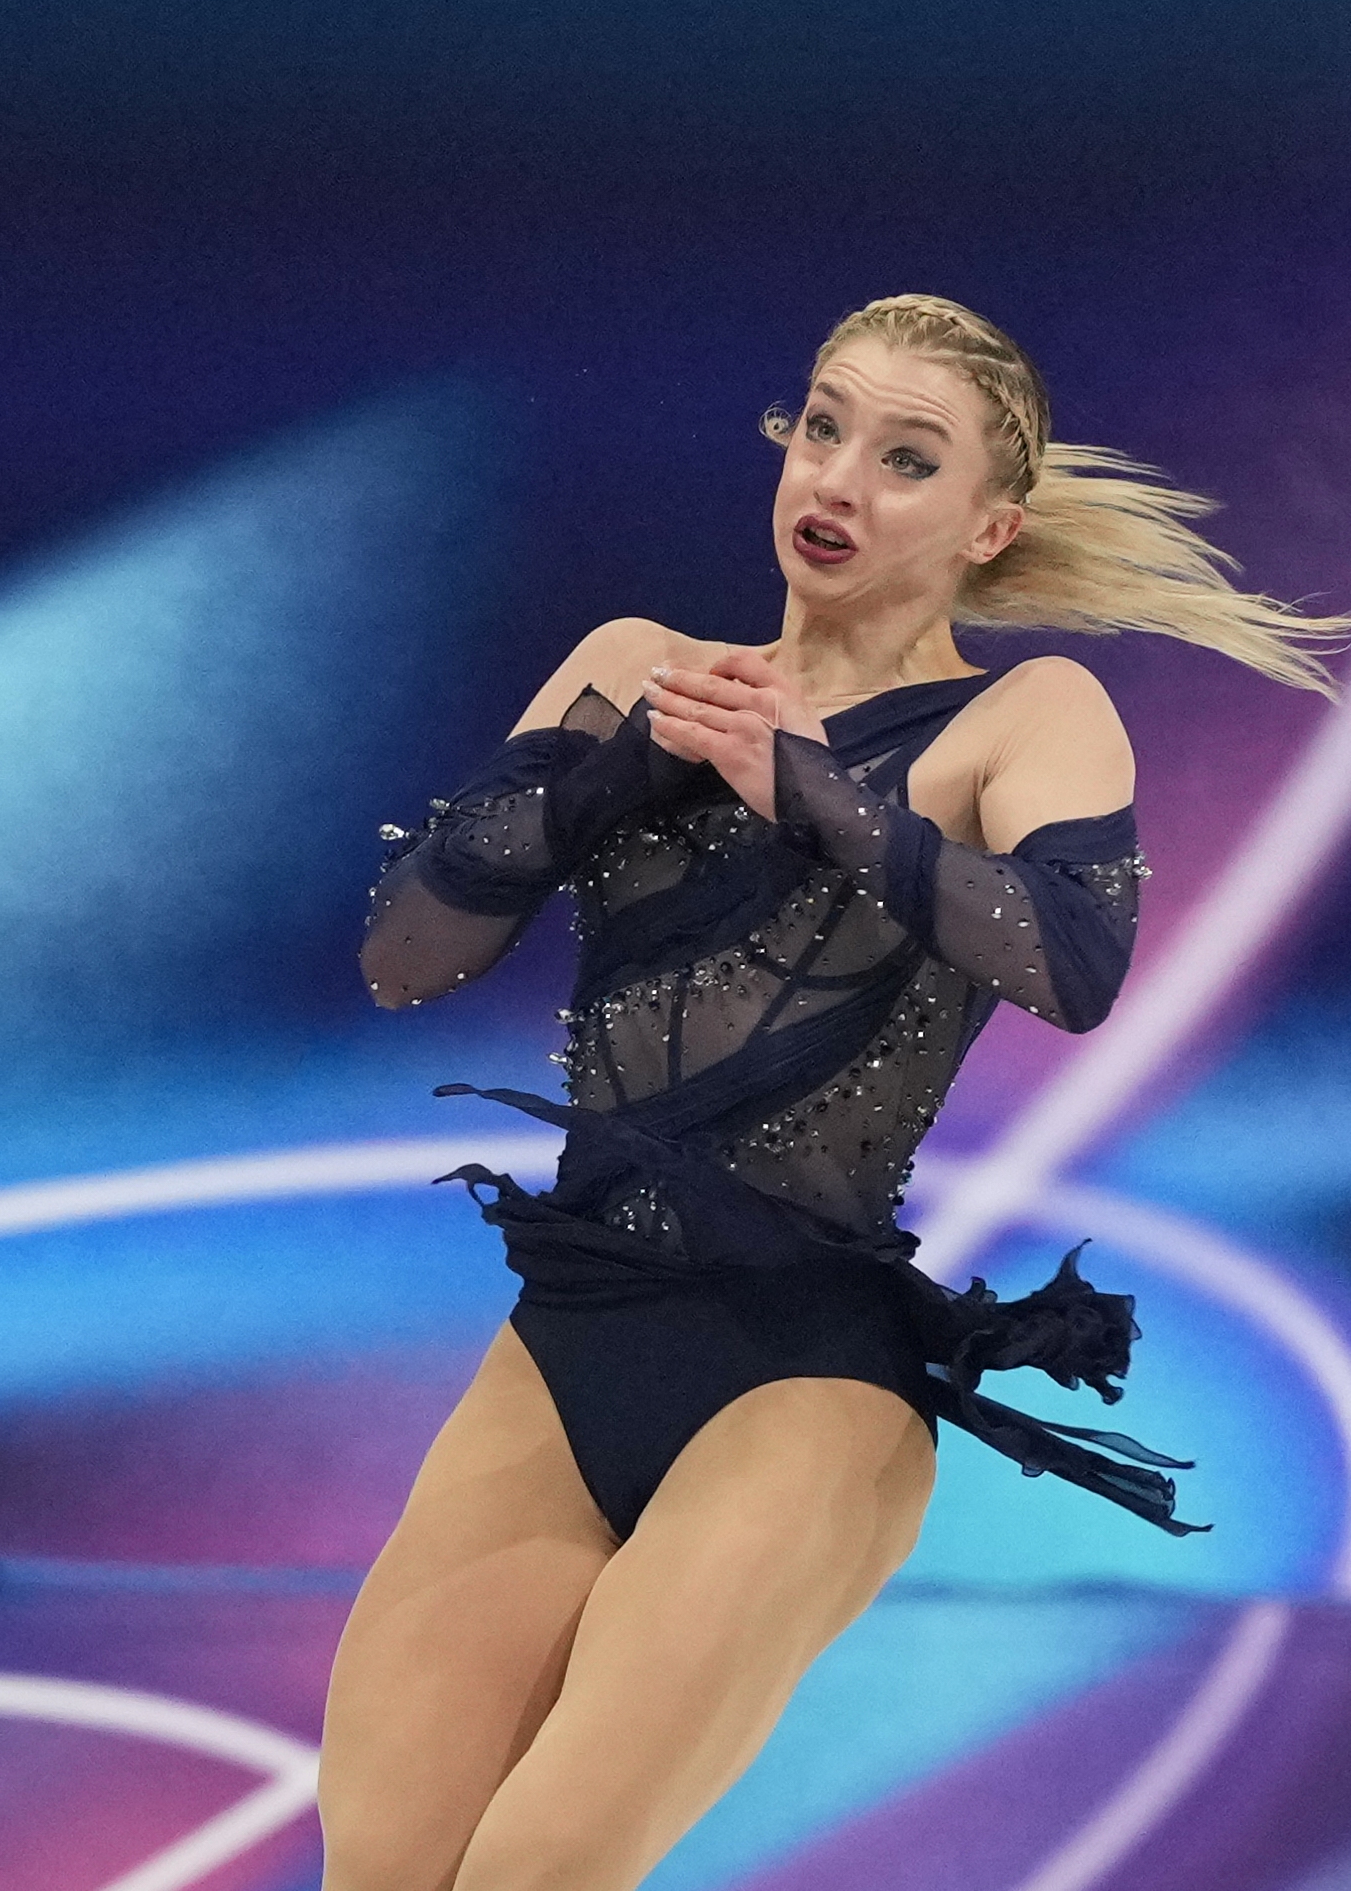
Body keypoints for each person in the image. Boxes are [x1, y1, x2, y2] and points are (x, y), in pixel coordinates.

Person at [317, 293, 1351, 1891]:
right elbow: (406, 953)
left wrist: (799, 783)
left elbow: (1069, 964)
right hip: (563, 1347)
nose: (841, 476)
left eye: (906, 456)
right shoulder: (639, 667)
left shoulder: (1024, 715)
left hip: (804, 1384)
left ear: (987, 523)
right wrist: (621, 769)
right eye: (823, 425)